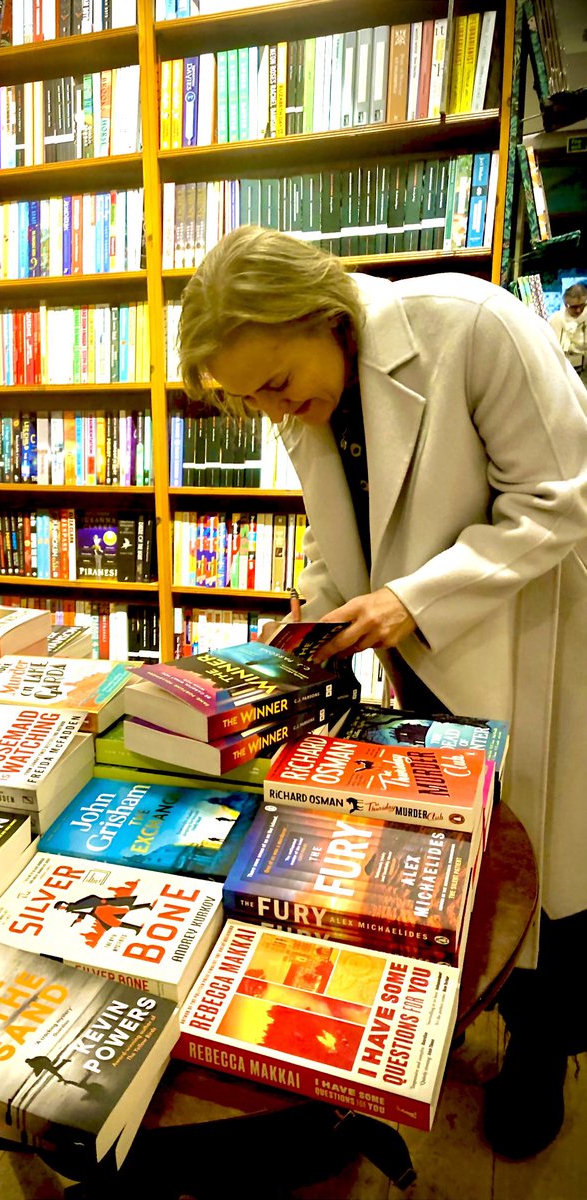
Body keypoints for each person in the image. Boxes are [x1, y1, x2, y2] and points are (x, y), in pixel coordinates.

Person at [176, 226, 587, 1160]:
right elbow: (342, 537)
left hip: (538, 641)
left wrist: (411, 600)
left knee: (551, 881)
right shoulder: (303, 389)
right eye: (253, 398)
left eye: (277, 384)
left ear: (322, 313)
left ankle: (541, 1051)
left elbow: (560, 499)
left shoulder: (472, 324)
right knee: (451, 862)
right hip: (424, 663)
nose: (276, 409)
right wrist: (311, 614)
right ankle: (448, 1023)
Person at [549, 281, 587, 379]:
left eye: (582, 305)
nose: (578, 310)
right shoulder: (555, 319)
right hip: (562, 372)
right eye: (574, 307)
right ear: (566, 304)